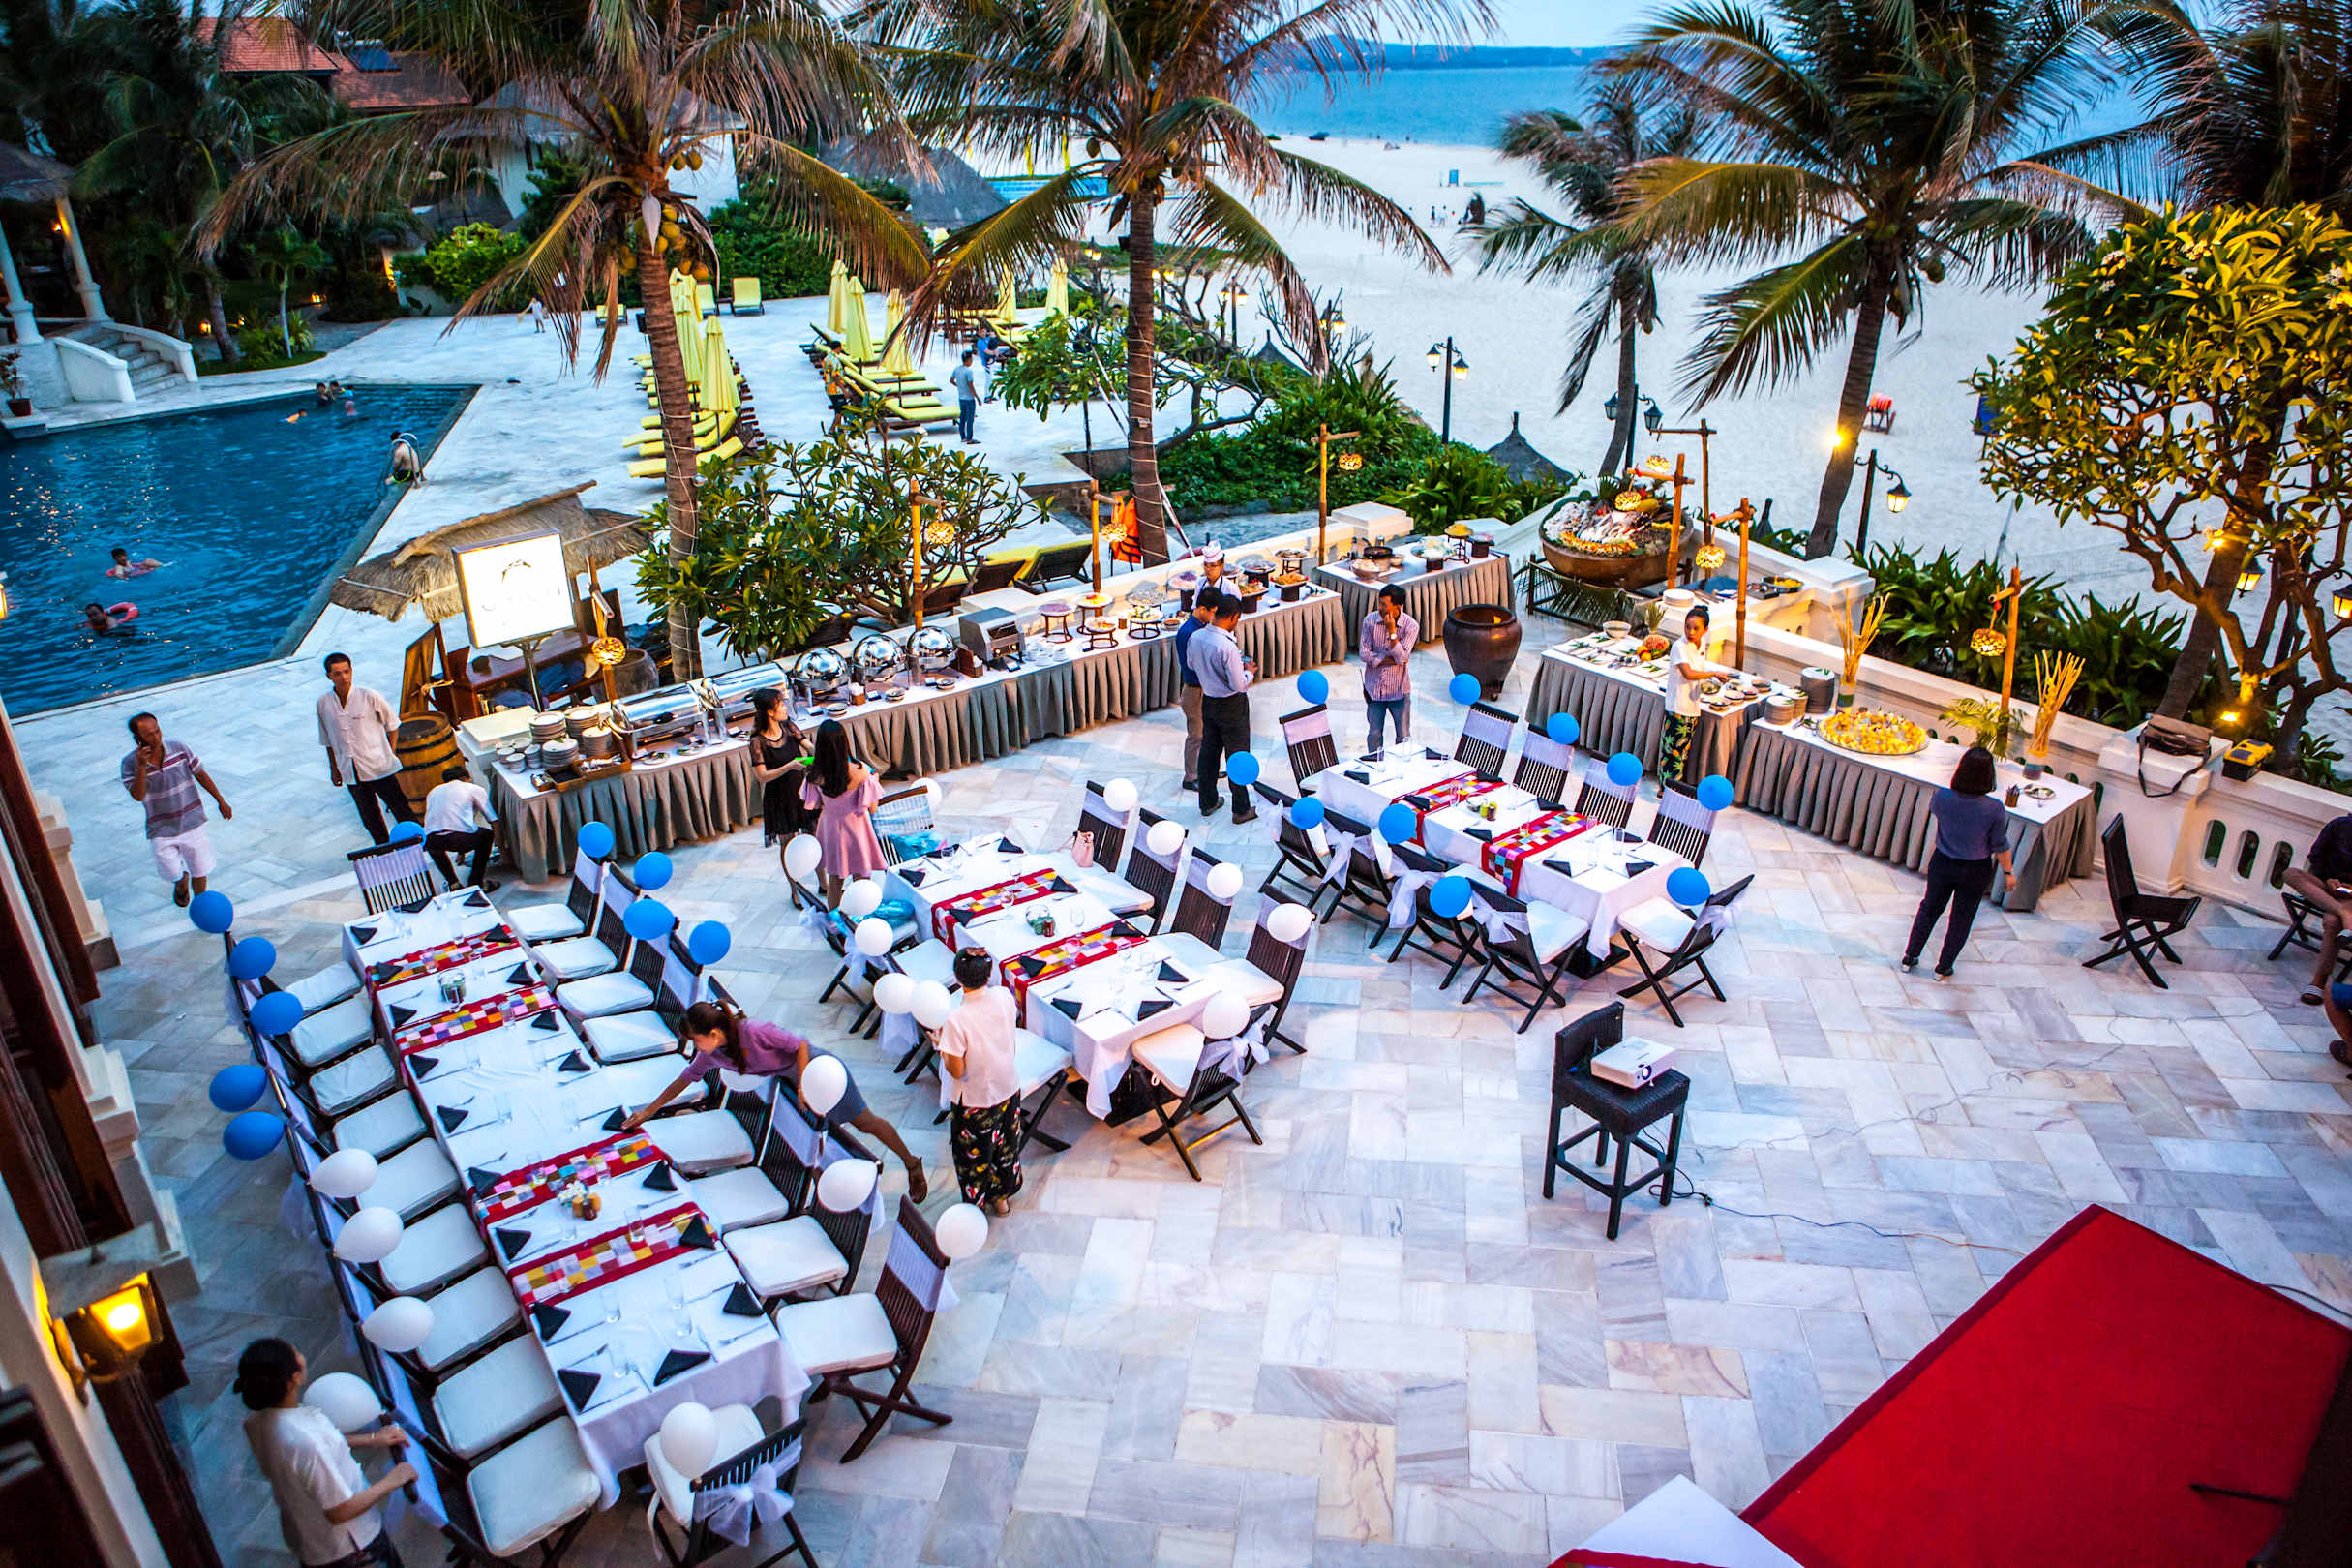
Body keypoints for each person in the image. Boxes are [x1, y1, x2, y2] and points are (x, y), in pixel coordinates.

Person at [623, 999, 927, 1200]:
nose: (696, 1048)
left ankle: (912, 1163)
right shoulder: (713, 1054)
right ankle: (840, 1193)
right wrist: (650, 1110)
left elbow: (800, 1046)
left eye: (697, 1041)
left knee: (865, 1123)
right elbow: (686, 1077)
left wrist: (804, 1085)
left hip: (820, 1073)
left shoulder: (755, 1031)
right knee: (812, 1141)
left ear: (713, 1033)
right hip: (793, 1084)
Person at [235, 1339, 412, 1568]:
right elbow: (339, 1511)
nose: (301, 1355)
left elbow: (314, 1450)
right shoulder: (307, 1443)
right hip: (352, 1548)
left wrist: (372, 1439)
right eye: (296, 1352)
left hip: (311, 1539)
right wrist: (393, 1480)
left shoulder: (256, 1422)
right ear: (293, 1379)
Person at [1902, 745, 2015, 980]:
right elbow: (2000, 845)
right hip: (1975, 870)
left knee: (1929, 909)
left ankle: (1910, 956)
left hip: (1943, 862)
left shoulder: (1941, 797)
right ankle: (1943, 967)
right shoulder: (1993, 809)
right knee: (1961, 919)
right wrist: (2009, 873)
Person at [939, 946, 1023, 1215]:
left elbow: (956, 1070)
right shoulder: (1004, 997)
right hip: (1008, 1087)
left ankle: (976, 1208)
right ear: (989, 975)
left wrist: (942, 1047)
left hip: (976, 1099)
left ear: (957, 977)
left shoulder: (956, 1020)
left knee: (974, 1157)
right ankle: (1001, 1199)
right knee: (1006, 1146)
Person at [121, 710, 232, 906]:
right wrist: (141, 767)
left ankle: (201, 904)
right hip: (161, 828)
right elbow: (138, 795)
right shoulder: (129, 764)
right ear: (137, 738)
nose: (156, 737)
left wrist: (220, 800)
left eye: (157, 731)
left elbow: (200, 773)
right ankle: (180, 881)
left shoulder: (179, 749)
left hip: (192, 820)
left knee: (200, 869)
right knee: (171, 870)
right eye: (149, 735)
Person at [317, 652, 415, 845]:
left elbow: (393, 725)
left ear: (351, 671)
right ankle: (385, 850)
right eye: (337, 673)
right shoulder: (323, 704)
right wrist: (334, 769)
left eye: (346, 672)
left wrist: (390, 753)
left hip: (378, 766)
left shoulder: (369, 696)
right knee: (370, 818)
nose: (343, 677)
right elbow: (328, 740)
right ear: (329, 676)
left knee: (401, 809)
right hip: (351, 771)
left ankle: (418, 845)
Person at [1190, 590, 1259, 824]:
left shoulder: (1196, 637)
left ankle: (1207, 802)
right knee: (1237, 755)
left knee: (1209, 753)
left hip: (1209, 701)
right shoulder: (1227, 646)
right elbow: (1238, 685)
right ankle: (1241, 809)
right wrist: (1249, 672)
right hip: (1232, 706)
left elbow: (1190, 664)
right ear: (1233, 617)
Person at [799, 718, 884, 905]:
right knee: (861, 878)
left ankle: (835, 919)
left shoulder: (814, 774)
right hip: (856, 829)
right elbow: (872, 808)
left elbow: (815, 804)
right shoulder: (861, 771)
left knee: (835, 880)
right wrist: (875, 782)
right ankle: (860, 915)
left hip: (830, 829)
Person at [1659, 605, 1734, 782]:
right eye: (1688, 627)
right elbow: (1688, 673)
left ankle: (1674, 785)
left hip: (1692, 706)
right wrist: (1713, 674)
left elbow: (1697, 671)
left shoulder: (1700, 646)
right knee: (1672, 753)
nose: (1691, 632)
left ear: (1705, 630)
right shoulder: (1679, 647)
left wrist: (1713, 679)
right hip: (1678, 706)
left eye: (1696, 628)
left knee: (1683, 752)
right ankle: (1665, 787)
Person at [2283, 812, 2352, 1005]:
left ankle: (2319, 982)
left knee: (2331, 922)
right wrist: (2328, 878)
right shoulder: (2340, 825)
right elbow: (2316, 856)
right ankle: (2345, 914)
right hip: (2325, 886)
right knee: (2291, 874)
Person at [748, 687, 812, 869]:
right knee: (788, 845)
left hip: (801, 790)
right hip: (779, 798)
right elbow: (762, 776)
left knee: (812, 836)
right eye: (781, 704)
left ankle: (823, 881)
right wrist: (789, 766)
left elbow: (809, 746)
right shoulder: (757, 742)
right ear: (770, 712)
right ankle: (794, 883)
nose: (785, 707)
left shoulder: (789, 727)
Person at [1360, 582, 1418, 753]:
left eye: (1384, 605)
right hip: (1374, 689)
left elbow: (1402, 658)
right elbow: (1364, 654)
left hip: (1399, 690)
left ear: (1397, 606)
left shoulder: (1411, 626)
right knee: (1374, 734)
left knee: (1403, 735)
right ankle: (1375, 762)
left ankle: (1402, 764)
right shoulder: (1369, 621)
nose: (1380, 608)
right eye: (1379, 603)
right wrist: (1387, 659)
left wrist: (1392, 632)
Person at [420, 763, 498, 889]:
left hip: (431, 840)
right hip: (458, 838)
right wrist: (502, 847)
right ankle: (476, 881)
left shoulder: (433, 792)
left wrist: (461, 852)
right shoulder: (473, 788)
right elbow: (493, 819)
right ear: (463, 778)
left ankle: (453, 883)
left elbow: (454, 821)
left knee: (435, 844)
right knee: (486, 835)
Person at [1172, 588, 1219, 793]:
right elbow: (1192, 667)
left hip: (1206, 689)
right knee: (1196, 735)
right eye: (1212, 613)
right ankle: (1191, 776)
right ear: (1201, 608)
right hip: (1195, 691)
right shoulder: (1187, 633)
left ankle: (1205, 769)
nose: (1214, 617)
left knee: (1209, 734)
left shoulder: (1204, 627)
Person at [950, 349, 980, 444]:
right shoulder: (969, 371)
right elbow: (971, 386)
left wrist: (959, 386)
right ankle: (969, 438)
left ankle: (963, 437)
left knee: (962, 418)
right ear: (968, 360)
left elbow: (951, 380)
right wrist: (977, 398)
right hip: (969, 399)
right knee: (970, 419)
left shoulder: (957, 369)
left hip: (961, 398)